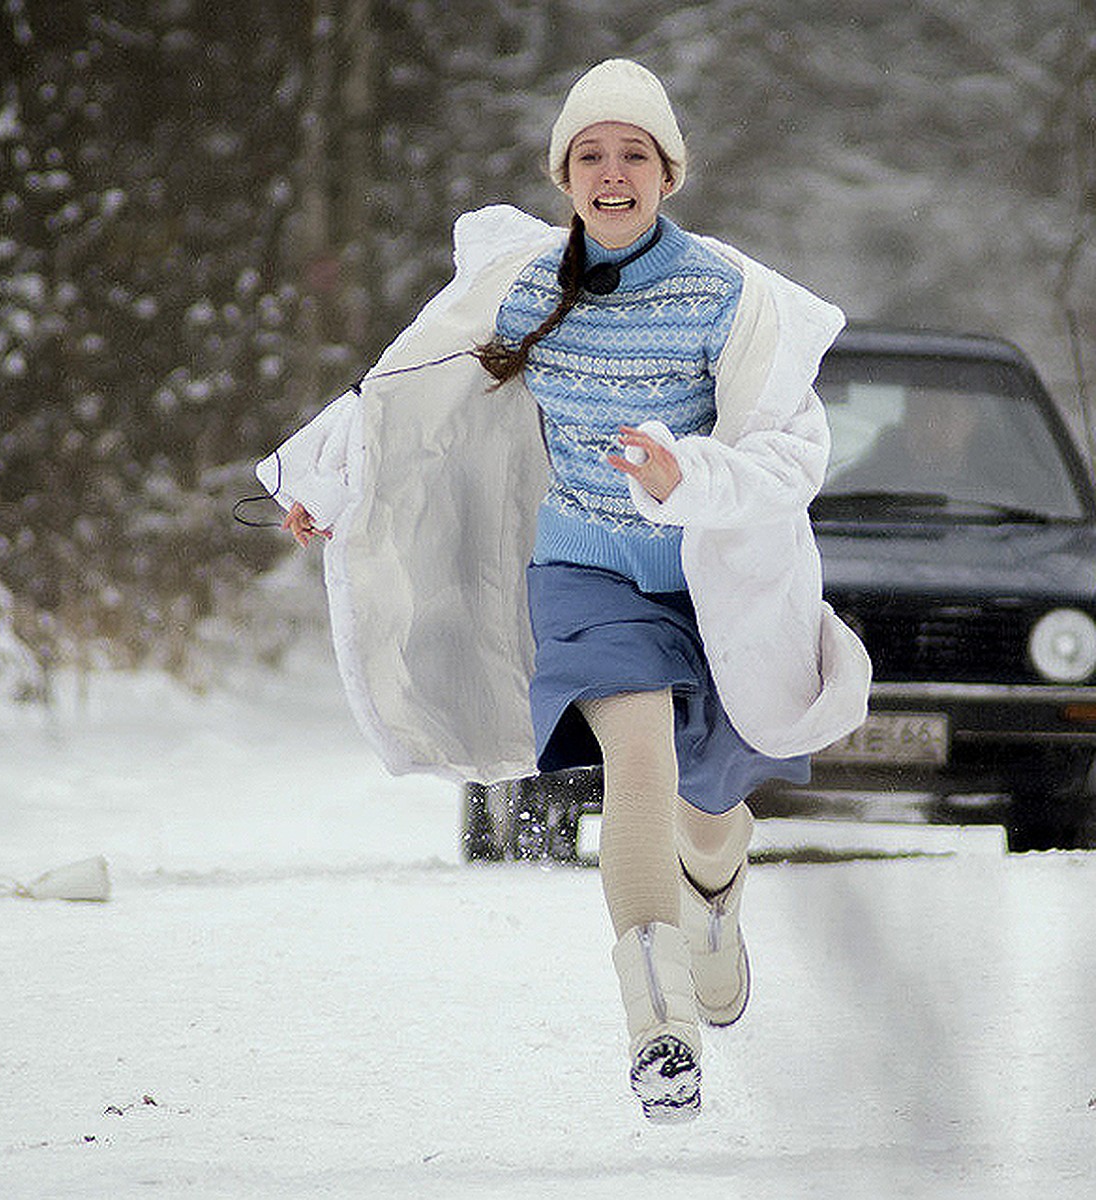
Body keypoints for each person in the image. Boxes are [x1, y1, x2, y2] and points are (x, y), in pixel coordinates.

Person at [261, 59, 871, 1122]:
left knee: (708, 798)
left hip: (710, 576)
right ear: (565, 177)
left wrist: (691, 479)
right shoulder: (526, 285)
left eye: (634, 152)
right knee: (635, 762)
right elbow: (410, 388)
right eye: (590, 154)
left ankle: (716, 892)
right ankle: (660, 1031)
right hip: (583, 568)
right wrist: (324, 485)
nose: (612, 171)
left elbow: (795, 455)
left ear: (669, 172)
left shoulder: (731, 294)